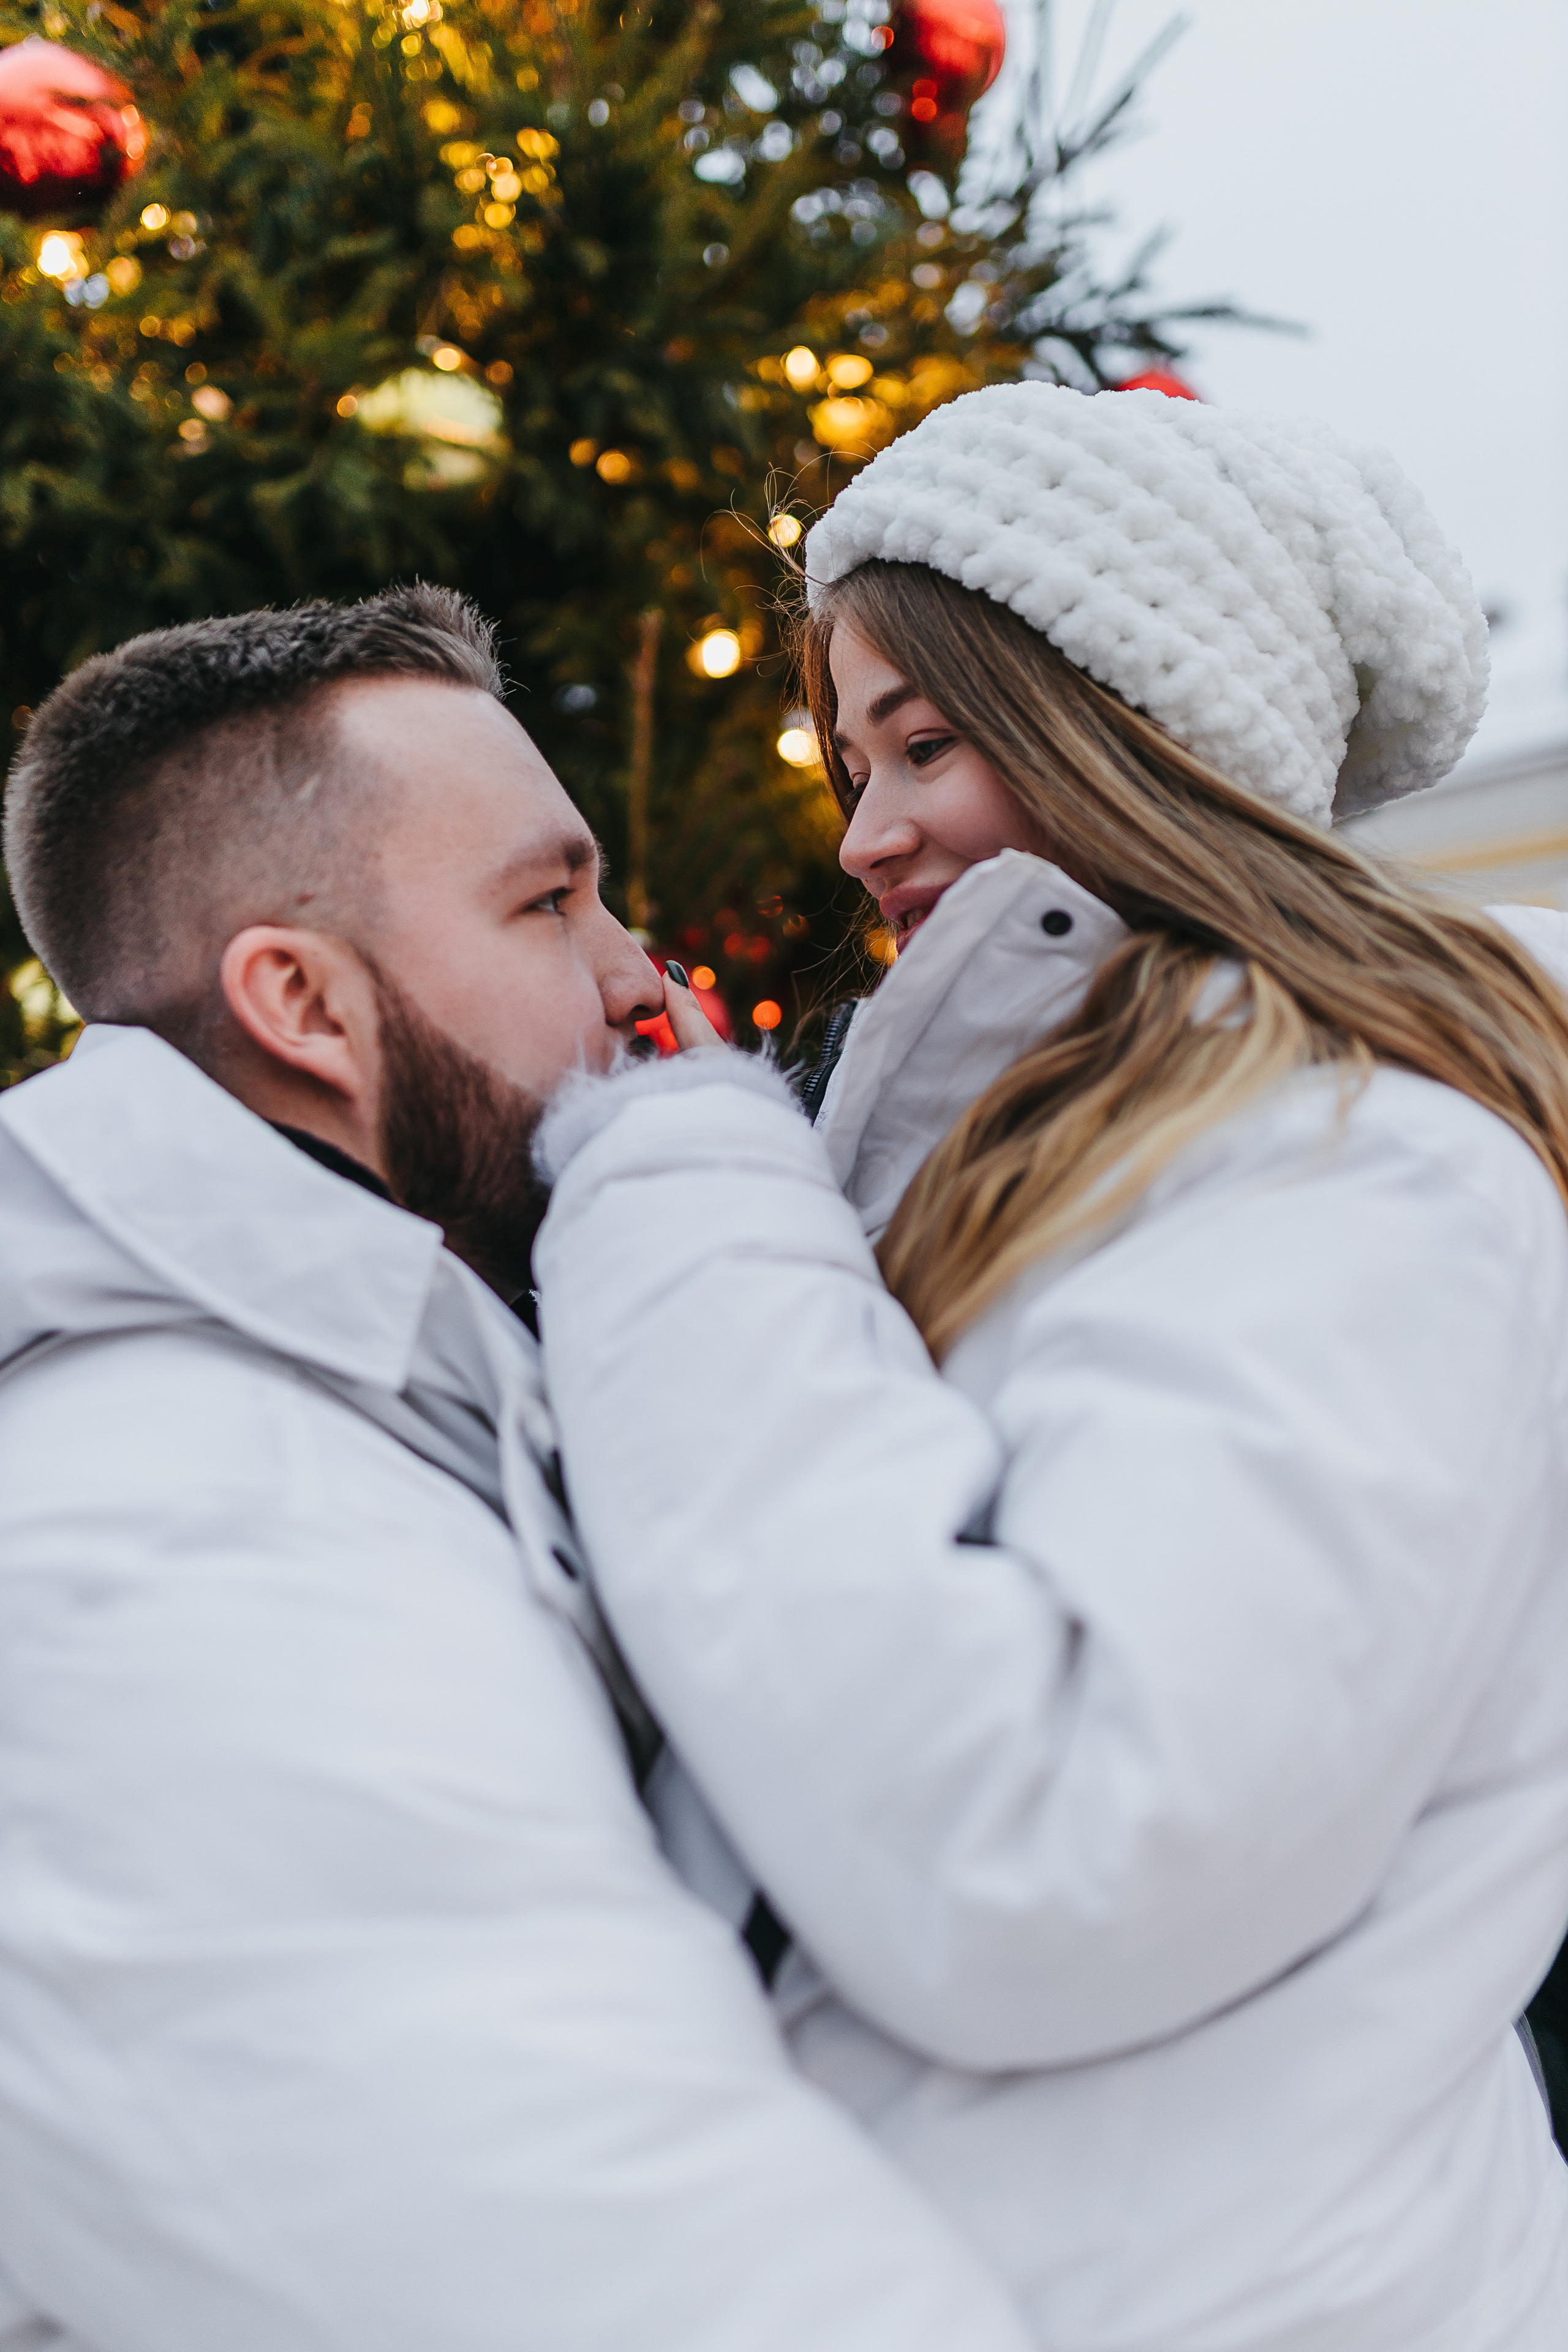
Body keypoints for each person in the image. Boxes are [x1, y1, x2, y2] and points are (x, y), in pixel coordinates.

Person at [530, 385, 1568, 2352]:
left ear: (1138, 731)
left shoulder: (1357, 1165)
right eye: (852, 758)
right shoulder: (1087, 1154)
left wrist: (675, 1187)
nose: (864, 834)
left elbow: (1064, 1834)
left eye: (927, 742)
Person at [0, 590, 1037, 2352]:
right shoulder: (178, 1544)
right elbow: (617, 2268)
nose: (640, 976)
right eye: (550, 903)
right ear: (303, 1004)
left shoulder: (387, 1405)